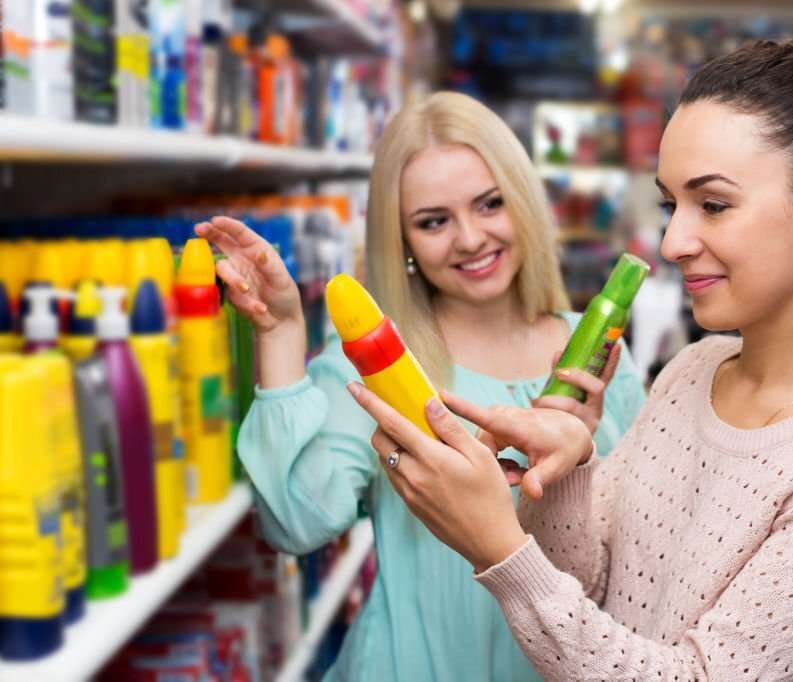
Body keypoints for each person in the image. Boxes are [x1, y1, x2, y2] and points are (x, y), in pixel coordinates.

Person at [349, 41, 793, 680]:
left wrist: (495, 544)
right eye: (671, 204)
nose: (672, 241)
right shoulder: (695, 369)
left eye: (712, 204)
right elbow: (596, 586)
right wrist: (570, 466)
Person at [197, 91, 646, 681]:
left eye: (489, 204)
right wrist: (280, 331)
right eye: (433, 221)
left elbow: (640, 551)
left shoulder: (596, 356)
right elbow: (296, 525)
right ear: (402, 241)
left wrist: (578, 454)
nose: (469, 239)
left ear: (524, 202)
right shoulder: (379, 364)